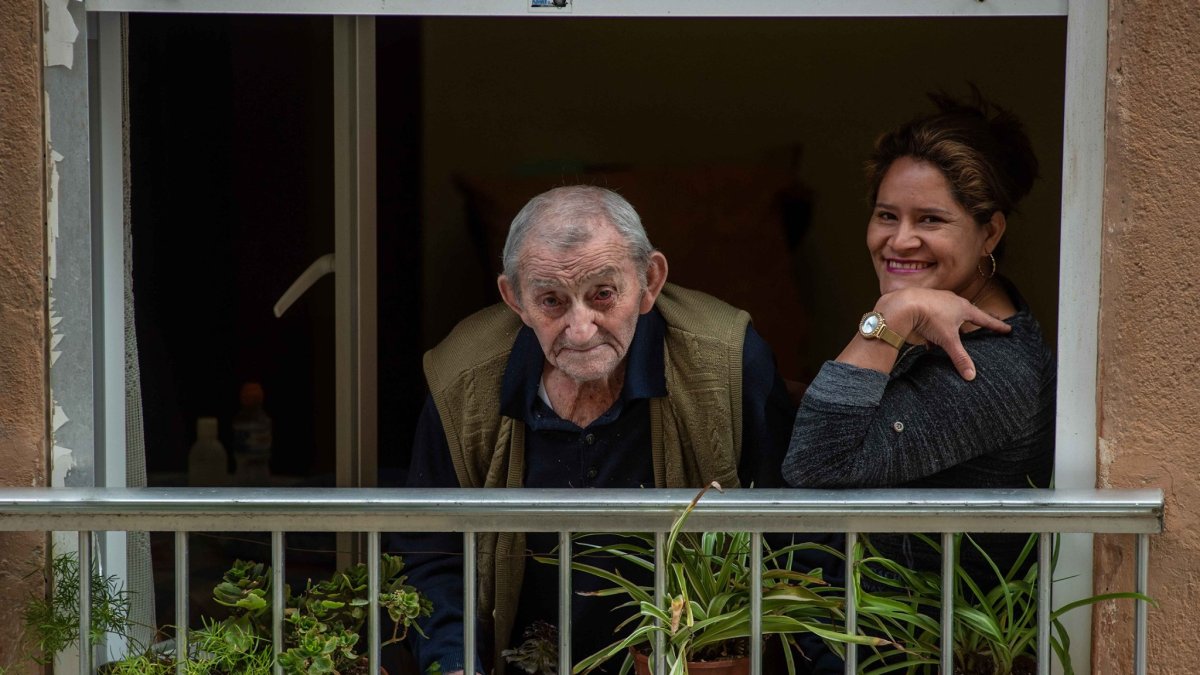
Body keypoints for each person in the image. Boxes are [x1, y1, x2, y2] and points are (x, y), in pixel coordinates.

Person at [397, 185, 798, 675]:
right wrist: (455, 664)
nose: (580, 329)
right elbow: (432, 553)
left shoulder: (727, 358)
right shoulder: (461, 376)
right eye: (551, 300)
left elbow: (790, 535)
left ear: (649, 281)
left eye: (602, 294)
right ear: (514, 299)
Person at [783, 90, 1056, 581]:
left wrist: (891, 315)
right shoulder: (961, 317)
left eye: (930, 219)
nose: (900, 240)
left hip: (914, 646)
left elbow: (816, 466)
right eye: (887, 215)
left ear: (990, 233)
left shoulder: (991, 369)